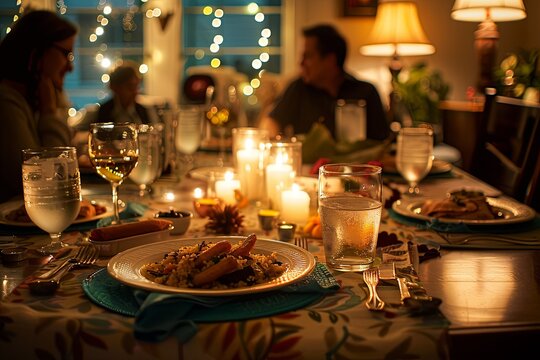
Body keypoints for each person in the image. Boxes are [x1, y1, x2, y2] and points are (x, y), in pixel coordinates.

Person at [259, 24, 389, 141]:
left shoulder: (366, 92)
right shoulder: (298, 88)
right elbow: (271, 121)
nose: (301, 63)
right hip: (311, 166)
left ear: (330, 60)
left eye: (308, 56)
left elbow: (382, 142)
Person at [0, 10, 77, 202]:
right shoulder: (6, 103)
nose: (70, 67)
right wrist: (50, 113)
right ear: (37, 51)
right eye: (66, 54)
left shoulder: (29, 100)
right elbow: (45, 184)